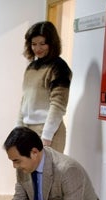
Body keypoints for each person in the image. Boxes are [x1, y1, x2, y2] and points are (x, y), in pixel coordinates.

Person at [17, 21, 72, 153]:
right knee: (24, 172)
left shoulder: (59, 67)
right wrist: (18, 128)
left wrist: (47, 135)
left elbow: (58, 104)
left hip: (49, 131)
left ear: (51, 43)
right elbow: (24, 100)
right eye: (34, 44)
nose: (37, 48)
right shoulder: (31, 67)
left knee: (48, 172)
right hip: (28, 128)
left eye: (42, 44)